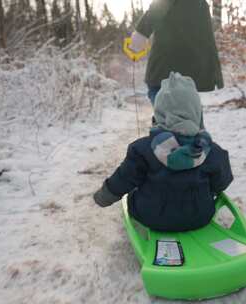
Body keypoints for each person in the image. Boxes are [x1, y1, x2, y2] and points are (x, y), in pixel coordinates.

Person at [93, 73, 233, 232]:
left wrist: (103, 197)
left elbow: (123, 179)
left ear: (159, 114)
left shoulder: (141, 150)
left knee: (133, 194)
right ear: (197, 114)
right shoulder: (212, 151)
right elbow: (223, 182)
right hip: (199, 217)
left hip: (151, 217)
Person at [128, 0, 224, 104]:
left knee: (163, 105)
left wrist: (139, 36)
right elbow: (209, 39)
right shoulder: (201, 4)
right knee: (189, 110)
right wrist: (214, 72)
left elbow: (156, 9)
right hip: (193, 73)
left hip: (164, 69)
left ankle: (164, 118)